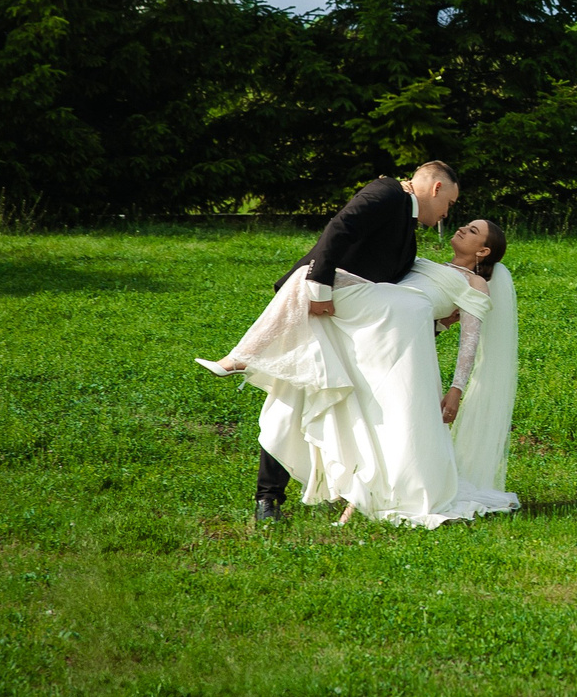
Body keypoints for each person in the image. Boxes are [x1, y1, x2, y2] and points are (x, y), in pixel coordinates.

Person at [195, 162, 456, 521]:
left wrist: (437, 322)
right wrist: (319, 287)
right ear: (437, 188)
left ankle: (339, 488)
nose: (447, 213)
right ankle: (267, 498)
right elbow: (339, 229)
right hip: (321, 306)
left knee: (327, 403)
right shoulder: (387, 192)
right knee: (293, 395)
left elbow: (390, 301)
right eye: (450, 203)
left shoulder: (405, 227)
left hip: (348, 324)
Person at [431, 220, 517, 497]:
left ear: (483, 251)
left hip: (418, 359)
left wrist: (456, 390)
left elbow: (469, 342)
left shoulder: (474, 283)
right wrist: (440, 323)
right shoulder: (430, 266)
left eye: (473, 231)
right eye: (466, 225)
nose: (462, 229)